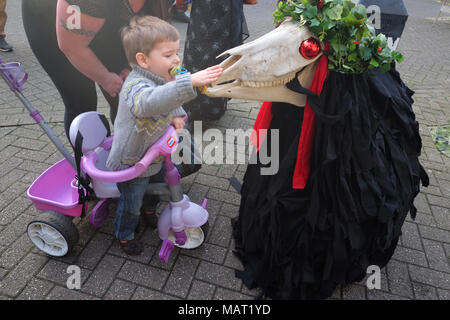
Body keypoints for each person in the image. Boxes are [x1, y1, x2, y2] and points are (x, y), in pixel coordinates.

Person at [231, 0, 429, 299]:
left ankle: (325, 252)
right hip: (309, 78)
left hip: (345, 91)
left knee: (341, 165)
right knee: (291, 152)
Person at [105, 16, 222, 255]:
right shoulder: (135, 85)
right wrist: (188, 81)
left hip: (154, 153)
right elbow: (149, 103)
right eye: (168, 55)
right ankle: (125, 234)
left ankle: (150, 211)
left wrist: (176, 114)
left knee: (157, 188)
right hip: (133, 161)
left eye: (176, 52)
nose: (176, 59)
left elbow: (168, 100)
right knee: (131, 204)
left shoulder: (160, 78)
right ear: (143, 60)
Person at [22, 0, 171, 140]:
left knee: (125, 98)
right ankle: (91, 161)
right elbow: (71, 47)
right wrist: (104, 78)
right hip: (52, 20)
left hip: (104, 16)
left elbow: (155, 32)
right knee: (82, 103)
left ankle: (129, 155)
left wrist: (130, 65)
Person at [182, 0, 249, 121]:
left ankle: (197, 106)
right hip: (215, 10)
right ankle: (210, 105)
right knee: (217, 54)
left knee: (212, 54)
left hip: (209, 11)